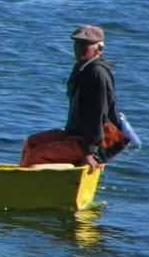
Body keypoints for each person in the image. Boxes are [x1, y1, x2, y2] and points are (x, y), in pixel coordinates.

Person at [19, 25, 127, 170]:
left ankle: (31, 182)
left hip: (90, 141)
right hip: (75, 134)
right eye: (77, 43)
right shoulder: (82, 69)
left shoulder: (97, 74)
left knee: (35, 155)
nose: (78, 48)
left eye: (85, 44)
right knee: (32, 142)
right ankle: (26, 177)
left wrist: (91, 152)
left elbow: (98, 115)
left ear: (99, 48)